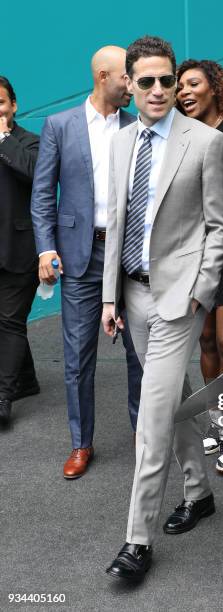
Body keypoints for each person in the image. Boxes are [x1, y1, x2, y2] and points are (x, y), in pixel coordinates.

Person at [102, 36, 223, 582]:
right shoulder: (120, 141)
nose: (158, 90)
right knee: (172, 394)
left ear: (176, 81)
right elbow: (116, 226)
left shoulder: (204, 142)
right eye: (146, 80)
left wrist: (201, 290)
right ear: (128, 84)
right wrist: (110, 295)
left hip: (180, 298)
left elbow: (219, 226)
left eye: (166, 79)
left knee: (150, 419)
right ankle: (199, 492)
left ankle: (137, 541)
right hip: (131, 293)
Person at [31, 46, 142, 478]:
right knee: (78, 357)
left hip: (130, 254)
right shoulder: (60, 125)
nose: (133, 86)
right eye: (127, 78)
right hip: (81, 255)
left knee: (140, 351)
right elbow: (43, 195)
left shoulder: (139, 126)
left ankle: (142, 437)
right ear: (103, 76)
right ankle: (81, 443)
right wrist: (45, 248)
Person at [176, 58, 223, 474]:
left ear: (214, 88)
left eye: (194, 84)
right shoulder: (180, 136)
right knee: (205, 341)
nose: (185, 92)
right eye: (180, 87)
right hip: (193, 251)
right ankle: (218, 419)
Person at [0, 77, 40, 426]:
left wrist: (2, 139)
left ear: (13, 105)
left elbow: (34, 174)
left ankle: (2, 397)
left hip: (19, 248)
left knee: (10, 321)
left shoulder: (30, 142)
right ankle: (25, 379)